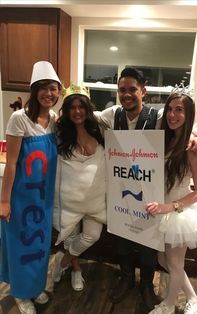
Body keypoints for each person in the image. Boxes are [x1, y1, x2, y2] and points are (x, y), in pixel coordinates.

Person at [95, 67, 197, 311]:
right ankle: (126, 279)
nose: (127, 94)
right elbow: (87, 116)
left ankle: (146, 285)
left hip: (153, 196)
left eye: (132, 90)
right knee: (122, 242)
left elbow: (185, 124)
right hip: (122, 192)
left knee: (149, 247)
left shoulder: (156, 117)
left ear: (143, 91)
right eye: (122, 90)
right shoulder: (111, 114)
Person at [146, 91, 197, 314]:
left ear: (188, 114)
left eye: (179, 110)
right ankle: (193, 299)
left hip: (180, 209)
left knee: (175, 263)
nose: (172, 114)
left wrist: (171, 207)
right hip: (163, 207)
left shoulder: (193, 148)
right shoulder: (168, 137)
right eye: (170, 108)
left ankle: (168, 305)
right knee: (163, 258)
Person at [0, 61, 61, 314]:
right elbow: (11, 163)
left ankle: (34, 287)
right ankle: (20, 293)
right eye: (45, 88)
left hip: (43, 198)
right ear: (35, 90)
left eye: (54, 89)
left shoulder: (54, 119)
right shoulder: (19, 118)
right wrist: (4, 201)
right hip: (21, 197)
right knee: (20, 244)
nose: (50, 94)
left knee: (39, 245)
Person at [52, 85, 106, 292]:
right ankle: (75, 269)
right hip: (69, 201)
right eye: (72, 107)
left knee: (92, 236)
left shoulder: (100, 129)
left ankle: (62, 262)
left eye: (81, 106)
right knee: (71, 238)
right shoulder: (60, 133)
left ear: (88, 108)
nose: (77, 111)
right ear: (66, 110)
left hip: (95, 201)